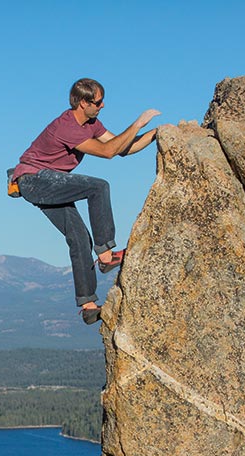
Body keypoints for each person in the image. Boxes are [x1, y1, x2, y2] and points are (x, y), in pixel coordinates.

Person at [11, 78, 160, 324]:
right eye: (98, 102)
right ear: (83, 102)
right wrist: (138, 122)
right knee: (98, 187)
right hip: (34, 180)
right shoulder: (66, 126)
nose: (102, 106)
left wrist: (155, 134)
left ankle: (89, 306)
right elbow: (107, 152)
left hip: (50, 182)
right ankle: (106, 255)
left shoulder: (92, 124)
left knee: (79, 238)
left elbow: (122, 148)